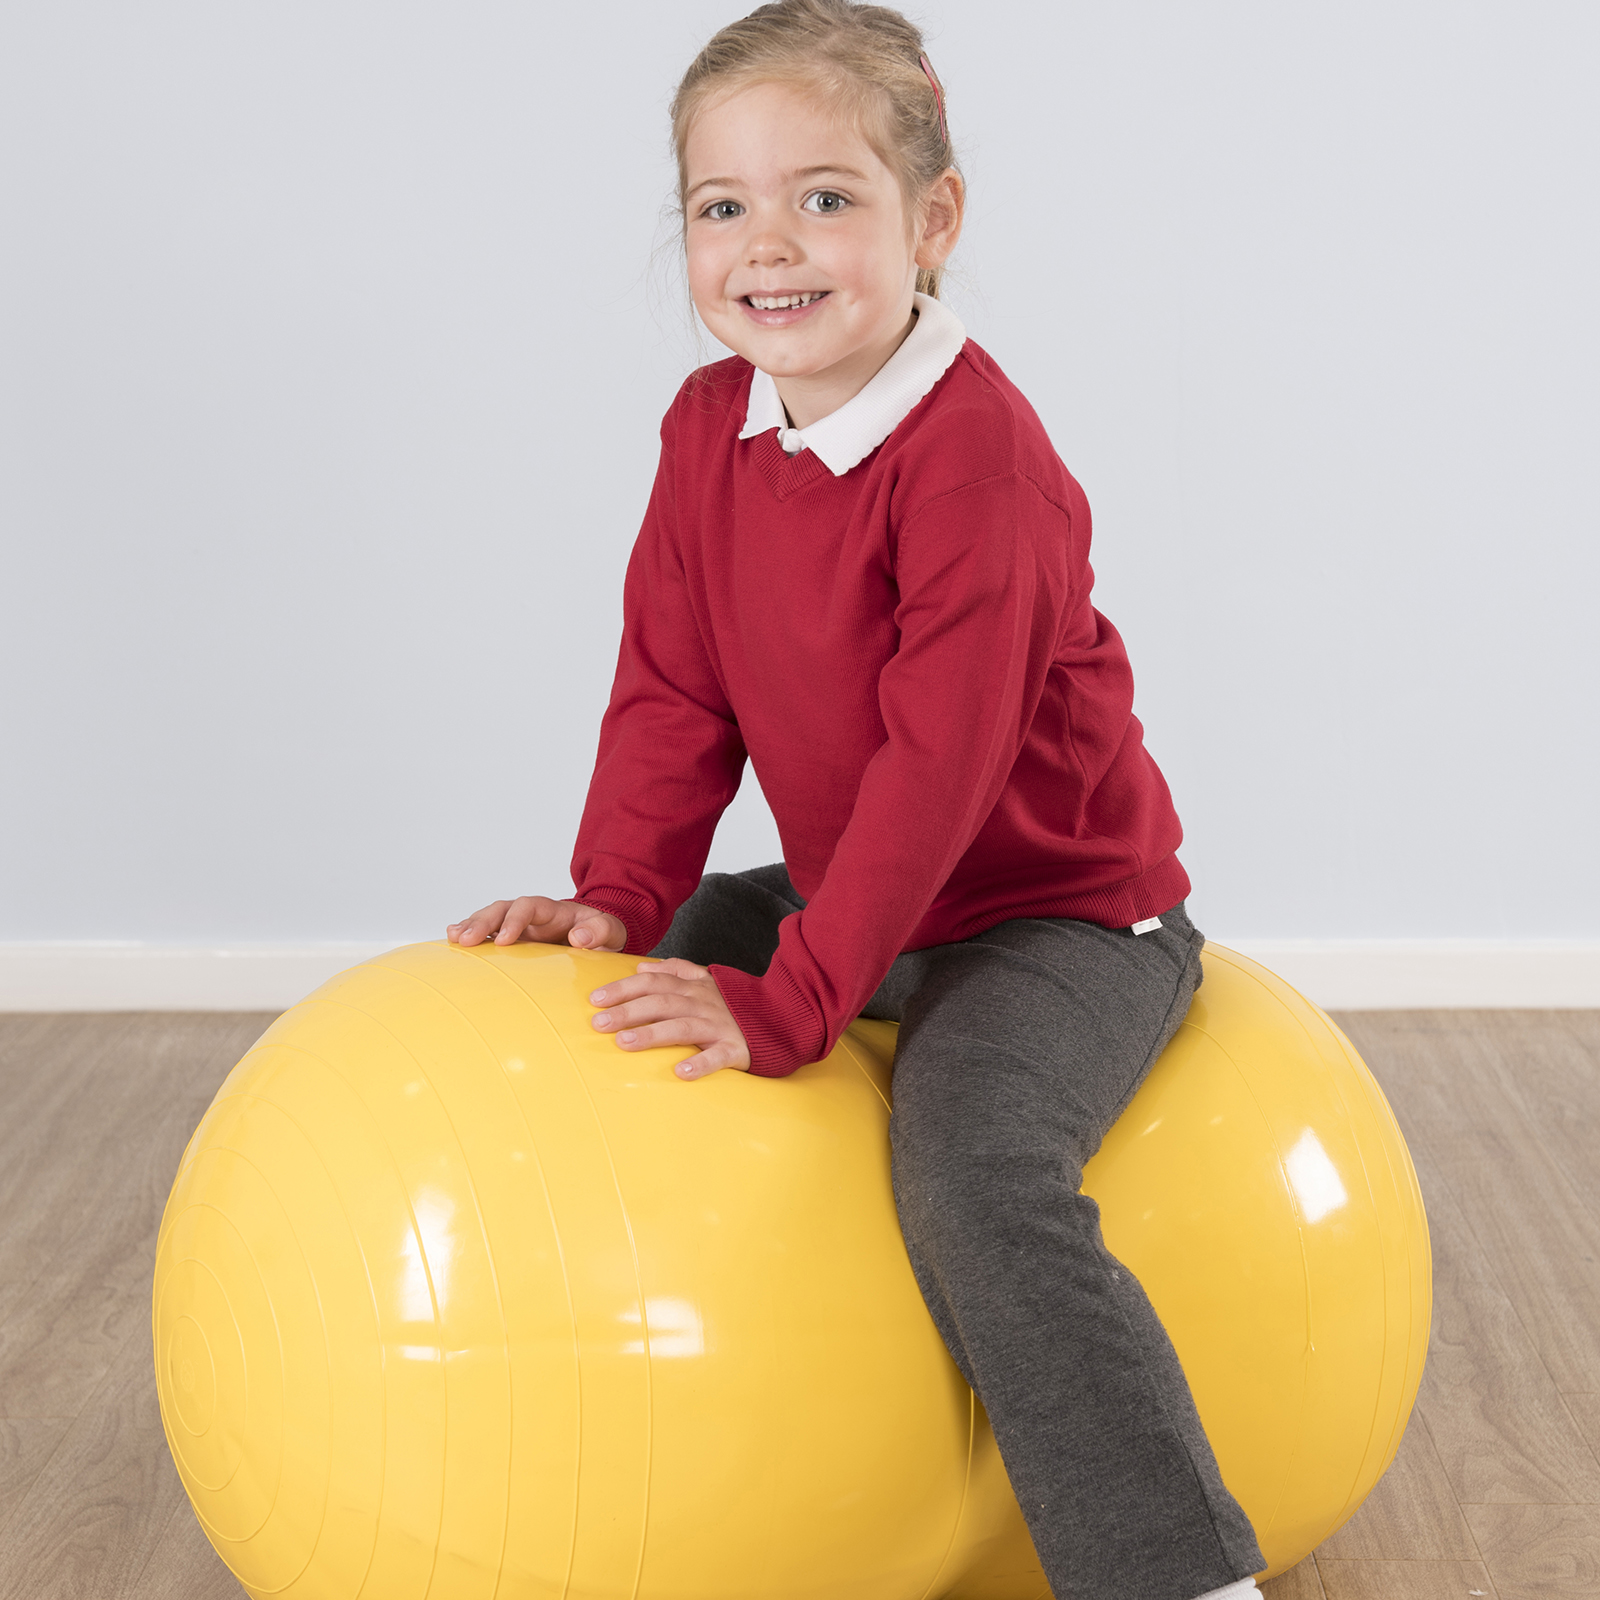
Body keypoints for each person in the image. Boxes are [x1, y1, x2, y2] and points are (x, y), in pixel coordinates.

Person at [449, 3, 1266, 1596]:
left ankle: (1179, 1571)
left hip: (1054, 919)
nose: (769, 245)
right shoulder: (708, 429)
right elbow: (674, 690)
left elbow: (936, 770)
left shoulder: (978, 460)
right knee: (653, 960)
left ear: (932, 220)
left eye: (824, 197)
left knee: (973, 1173)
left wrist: (803, 999)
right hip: (870, 898)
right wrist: (614, 895)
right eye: (722, 206)